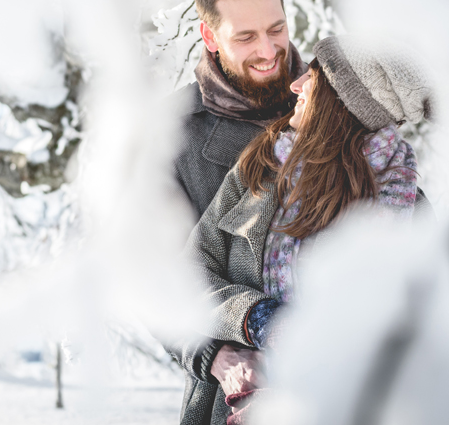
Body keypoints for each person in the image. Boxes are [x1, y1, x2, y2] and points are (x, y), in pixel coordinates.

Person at [178, 35, 433, 425]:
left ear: (341, 102)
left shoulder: (409, 212)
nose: (295, 84)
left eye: (312, 76)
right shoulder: (258, 170)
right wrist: (256, 318)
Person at [172, 0, 307, 221]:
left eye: (276, 30)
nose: (268, 52)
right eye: (246, 37)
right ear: (210, 37)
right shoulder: (171, 134)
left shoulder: (338, 91)